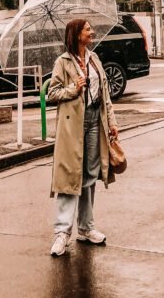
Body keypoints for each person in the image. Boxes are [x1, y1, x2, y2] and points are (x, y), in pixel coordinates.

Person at [46, 18, 119, 257]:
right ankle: (62, 232)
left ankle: (86, 228)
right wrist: (73, 88)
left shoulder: (94, 58)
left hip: (95, 121)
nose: (92, 32)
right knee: (69, 176)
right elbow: (52, 93)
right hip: (72, 125)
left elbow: (105, 94)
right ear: (77, 34)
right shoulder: (63, 61)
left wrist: (112, 122)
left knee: (90, 174)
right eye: (88, 29)